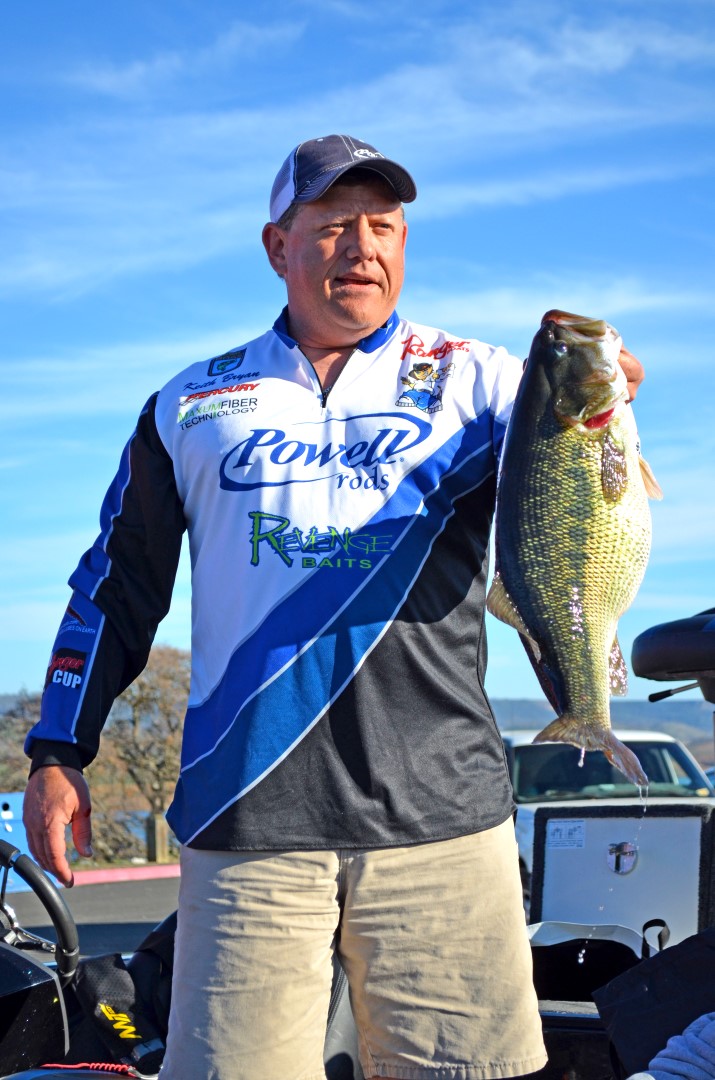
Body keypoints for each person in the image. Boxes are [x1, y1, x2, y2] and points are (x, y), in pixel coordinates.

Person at [23, 133, 644, 1080]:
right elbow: (117, 583)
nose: (363, 246)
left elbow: (575, 516)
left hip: (443, 820)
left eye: (385, 225)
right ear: (278, 246)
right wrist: (59, 750)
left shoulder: (484, 382)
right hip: (246, 821)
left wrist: (605, 408)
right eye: (334, 224)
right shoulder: (190, 403)